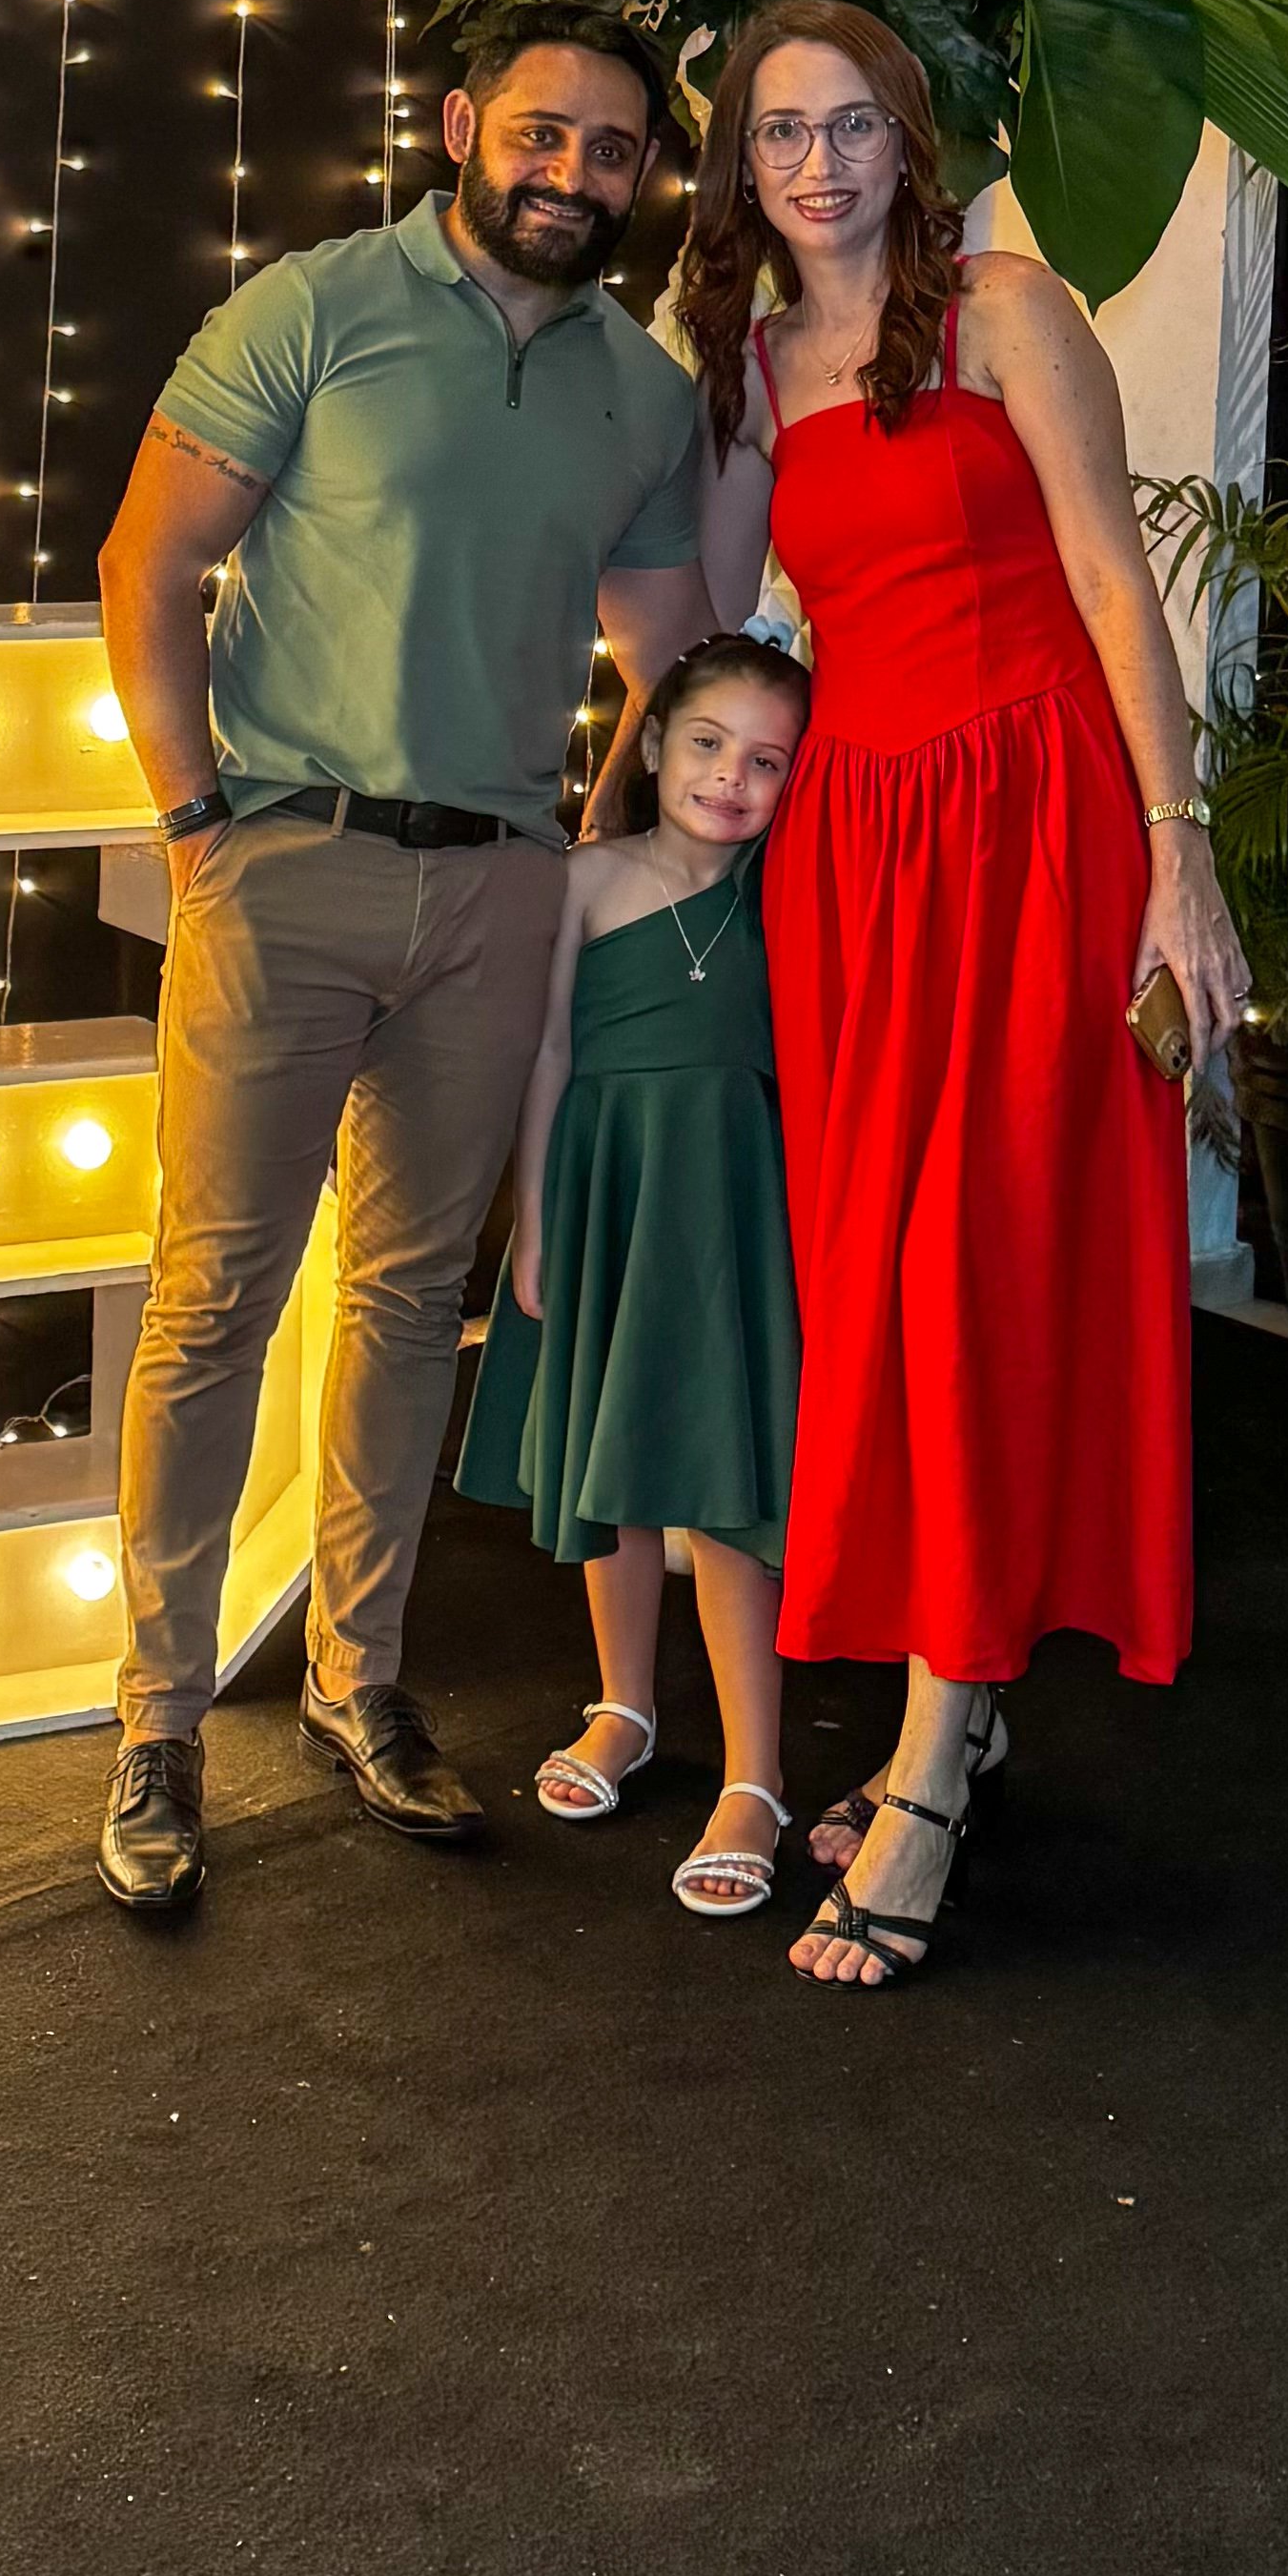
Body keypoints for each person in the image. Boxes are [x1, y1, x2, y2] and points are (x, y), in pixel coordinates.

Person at [598, 0, 1252, 1991]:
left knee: (978, 1266)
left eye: (850, 126)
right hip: (854, 856)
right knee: (877, 1280)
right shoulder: (740, 367)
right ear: (740, 167)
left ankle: (931, 1763)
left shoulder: (1004, 311)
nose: (817, 164)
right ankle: (955, 1691)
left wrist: (1177, 851)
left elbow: (1113, 583)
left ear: (907, 139)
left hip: (1034, 828)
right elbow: (700, 625)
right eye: (778, 133)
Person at [91, 18, 712, 1915]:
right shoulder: (312, 309)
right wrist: (194, 825)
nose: (570, 173)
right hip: (284, 866)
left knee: (406, 1300)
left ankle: (355, 1685)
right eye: (539, 132)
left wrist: (584, 849)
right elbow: (145, 566)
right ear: (459, 129)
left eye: (610, 149)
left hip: (495, 893)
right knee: (213, 1303)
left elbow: (669, 658)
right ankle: (155, 1725)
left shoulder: (639, 391)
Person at [456, 631, 809, 1920]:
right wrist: (536, 1225)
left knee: (721, 1481)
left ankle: (756, 1777)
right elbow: (546, 1053)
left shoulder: (790, 891)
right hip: (606, 1190)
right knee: (611, 1463)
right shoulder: (584, 878)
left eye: (765, 761)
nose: (730, 778)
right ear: (653, 743)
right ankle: (625, 1707)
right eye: (707, 744)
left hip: (730, 1207)